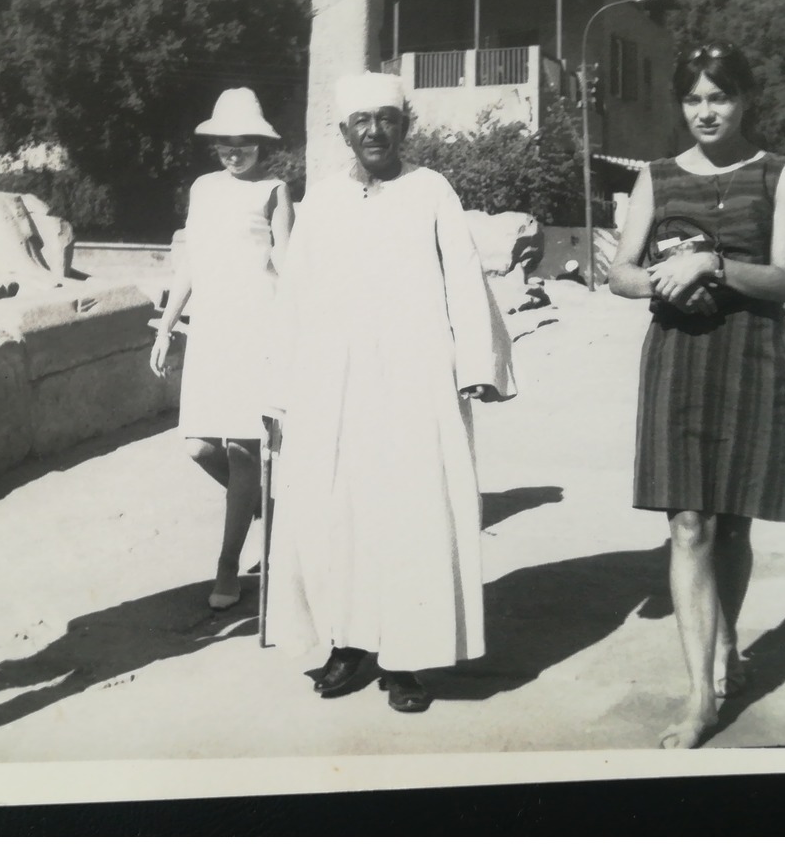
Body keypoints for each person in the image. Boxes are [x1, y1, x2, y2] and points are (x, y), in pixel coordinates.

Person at [263, 72, 515, 714]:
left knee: (410, 513)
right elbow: (296, 295)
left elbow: (463, 275)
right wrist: (280, 391)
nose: (374, 131)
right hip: (335, 385)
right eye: (361, 121)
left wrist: (476, 364)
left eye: (387, 118)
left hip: (414, 380)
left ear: (405, 126)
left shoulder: (431, 191)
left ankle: (407, 659)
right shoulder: (320, 201)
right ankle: (350, 644)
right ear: (344, 131)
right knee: (339, 513)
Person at [609, 41, 785, 749]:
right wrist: (665, 280)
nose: (705, 111)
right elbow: (622, 273)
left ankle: (728, 645)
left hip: (752, 357)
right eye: (693, 98)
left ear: (744, 99)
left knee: (733, 524)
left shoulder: (782, 175)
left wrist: (711, 264)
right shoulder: (658, 180)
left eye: (718, 97)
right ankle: (700, 696)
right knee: (688, 523)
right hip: (678, 357)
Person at [150, 88, 293, 609]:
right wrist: (166, 325)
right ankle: (267, 510)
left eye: (246, 143)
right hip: (211, 329)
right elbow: (190, 261)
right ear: (214, 146)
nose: (236, 152)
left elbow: (290, 265)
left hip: (258, 326)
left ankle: (228, 565)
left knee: (242, 448)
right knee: (199, 446)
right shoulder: (203, 189)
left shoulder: (275, 190)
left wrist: (296, 331)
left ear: (261, 144)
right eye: (226, 143)